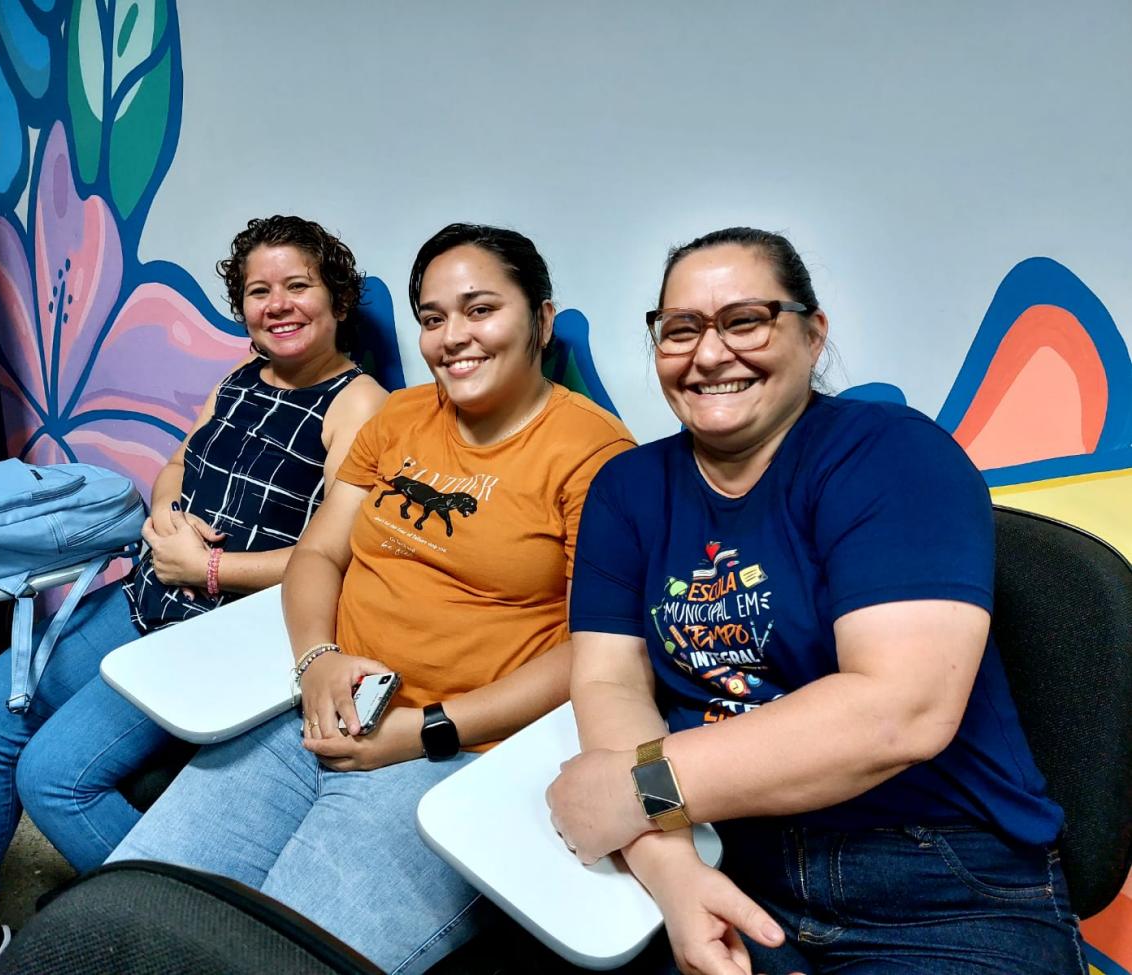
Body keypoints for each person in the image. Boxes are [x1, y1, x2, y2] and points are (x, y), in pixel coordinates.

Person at [546, 227, 1086, 975]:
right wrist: (673, 873)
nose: (709, 354)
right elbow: (610, 681)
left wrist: (638, 790)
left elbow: (900, 711)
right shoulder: (627, 488)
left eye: (744, 321)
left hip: (933, 880)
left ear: (813, 333)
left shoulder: (892, 454)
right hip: (719, 851)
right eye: (680, 329)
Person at [108, 223, 635, 973]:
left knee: (274, 959)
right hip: (321, 709)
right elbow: (320, 553)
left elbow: (593, 653)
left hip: (454, 752)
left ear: (541, 321)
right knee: (132, 911)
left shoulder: (596, 455)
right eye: (433, 317)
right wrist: (316, 660)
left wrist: (428, 729)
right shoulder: (399, 417)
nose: (455, 337)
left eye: (481, 309)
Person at [0, 215, 387, 974]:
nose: (278, 304)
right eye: (259, 291)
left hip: (222, 632)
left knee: (53, 778)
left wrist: (208, 570)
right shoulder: (241, 378)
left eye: (298, 286)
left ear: (338, 300)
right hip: (149, 597)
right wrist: (167, 516)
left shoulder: (358, 404)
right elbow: (178, 463)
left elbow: (334, 560)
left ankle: (197, 946)